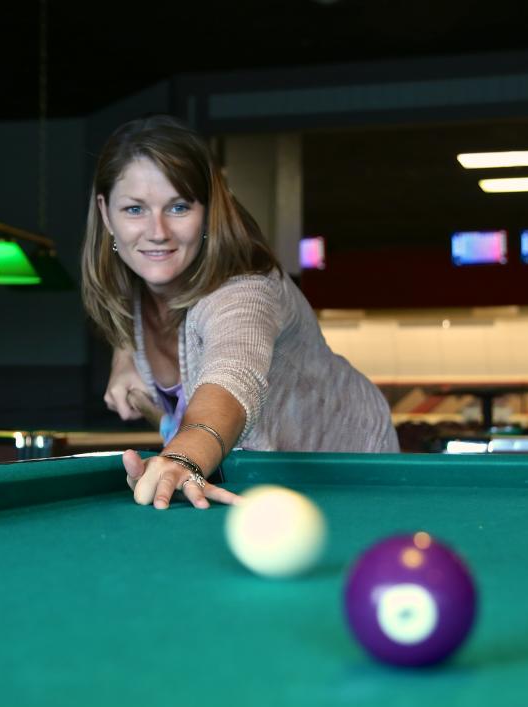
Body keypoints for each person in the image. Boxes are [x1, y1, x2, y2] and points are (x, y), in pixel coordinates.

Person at [81, 115, 398, 511]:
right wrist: (125, 352)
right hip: (246, 478)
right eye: (134, 209)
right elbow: (133, 307)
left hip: (344, 464)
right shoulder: (137, 284)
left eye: (178, 207)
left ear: (208, 211)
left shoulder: (244, 288)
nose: (157, 230)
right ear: (106, 213)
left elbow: (234, 374)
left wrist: (182, 456)